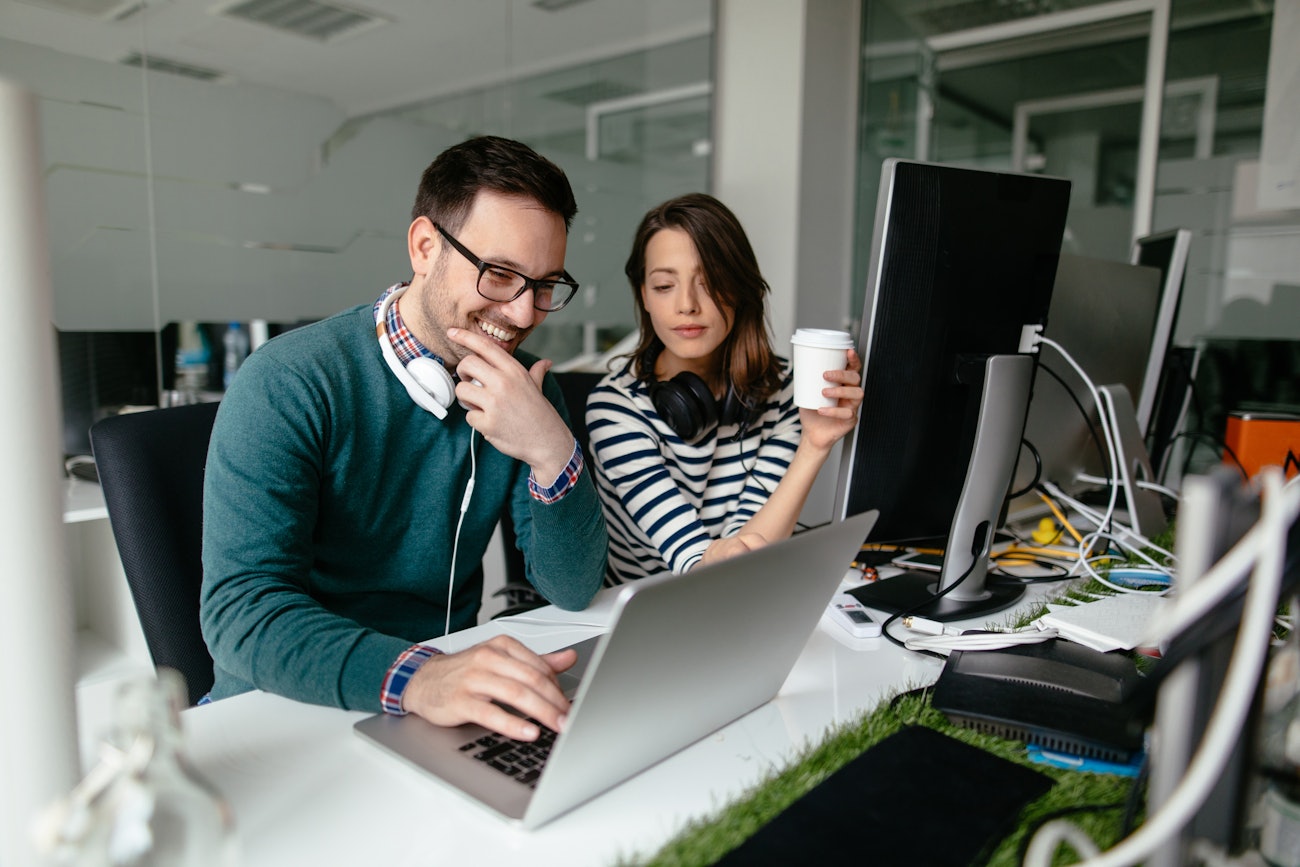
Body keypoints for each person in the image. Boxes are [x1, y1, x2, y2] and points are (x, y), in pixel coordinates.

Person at [200, 136, 607, 743]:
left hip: (443, 704)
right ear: (424, 247)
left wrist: (554, 451)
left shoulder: (524, 393)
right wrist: (423, 678)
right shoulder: (288, 381)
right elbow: (241, 610)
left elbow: (570, 589)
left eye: (545, 285)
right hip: (281, 715)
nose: (524, 315)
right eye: (499, 275)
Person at [586, 193, 864, 583]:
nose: (687, 304)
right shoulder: (613, 408)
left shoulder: (786, 390)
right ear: (644, 296)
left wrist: (815, 444)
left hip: (741, 599)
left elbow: (747, 555)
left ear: (740, 288)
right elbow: (703, 568)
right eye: (664, 285)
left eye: (710, 282)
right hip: (645, 613)